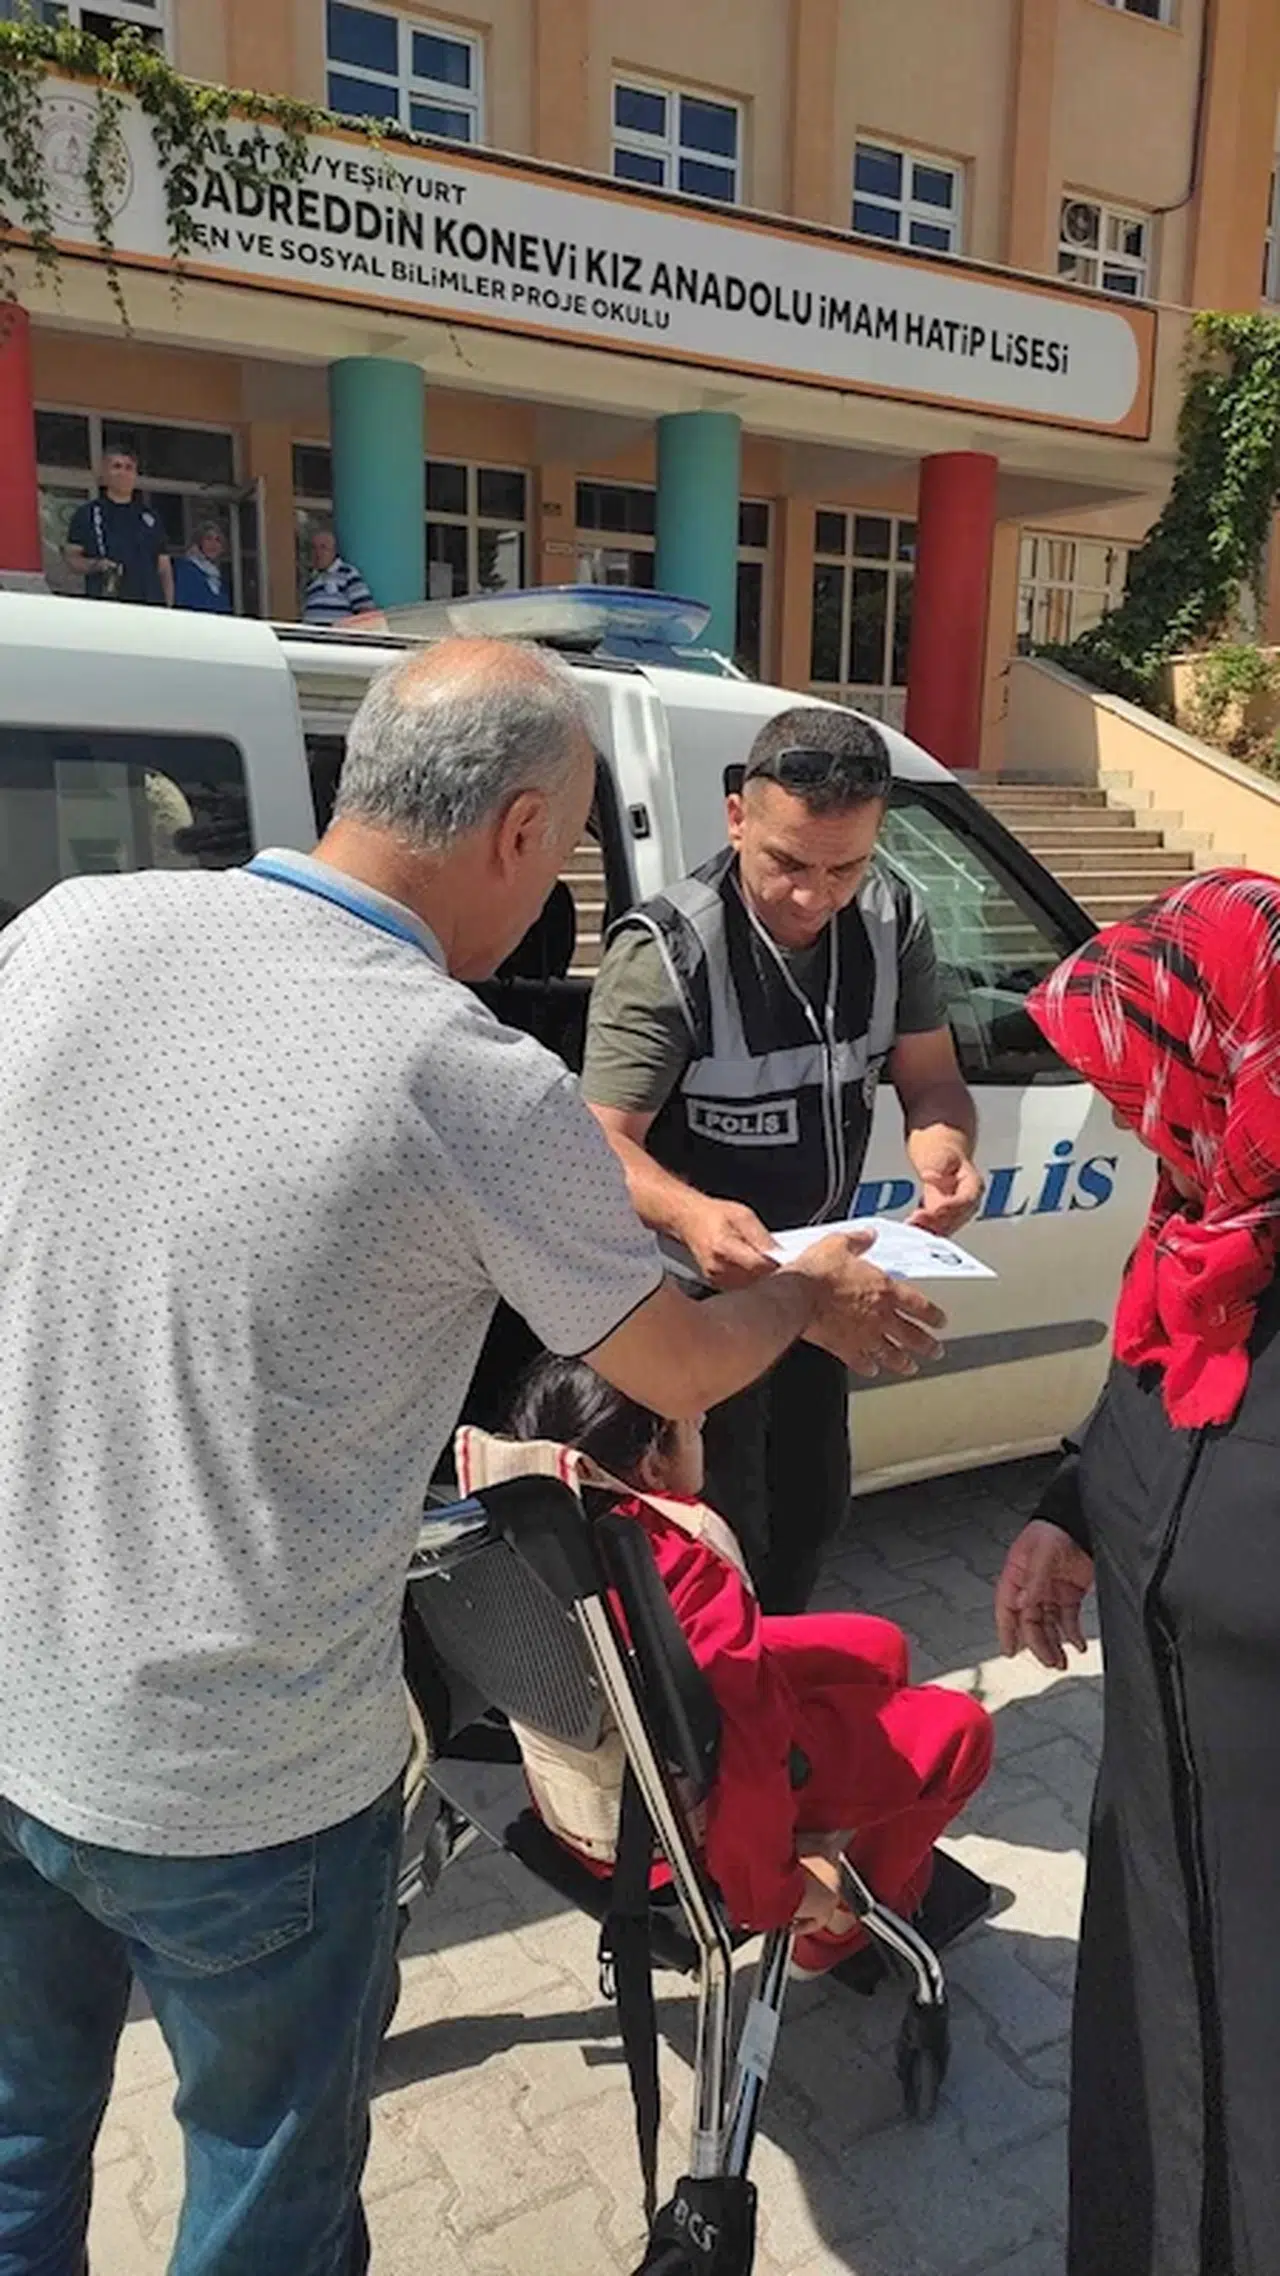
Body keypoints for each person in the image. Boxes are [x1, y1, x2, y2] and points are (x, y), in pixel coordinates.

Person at [0, 636, 948, 2276]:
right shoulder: (466, 1077)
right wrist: (805, 1282)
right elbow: (681, 1357)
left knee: (17, 2168)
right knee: (265, 2202)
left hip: (16, 1717)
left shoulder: (76, 929)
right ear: (520, 831)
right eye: (568, 848)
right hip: (251, 1785)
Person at [993, 871, 1280, 2276]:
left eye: (1134, 1069)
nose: (1115, 1110)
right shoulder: (1203, 1226)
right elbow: (1154, 1393)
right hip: (1162, 1832)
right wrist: (1073, 1509)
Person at [582, 705, 982, 1614]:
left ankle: (780, 1718)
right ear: (737, 818)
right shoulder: (669, 950)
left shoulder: (892, 920)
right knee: (717, 1542)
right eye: (788, 864)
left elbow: (932, 1081)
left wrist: (945, 1146)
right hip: (690, 1309)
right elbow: (596, 1143)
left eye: (847, 867)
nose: (816, 897)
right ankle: (713, 1746)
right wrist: (687, 1214)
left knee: (809, 1514)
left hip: (817, 1288)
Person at [481, 1354, 993, 1973]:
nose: (705, 1428)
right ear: (650, 1460)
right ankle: (835, 1934)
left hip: (603, 1766)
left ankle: (854, 1828)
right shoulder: (682, 1560)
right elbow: (749, 1760)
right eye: (695, 1426)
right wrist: (780, 1892)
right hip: (675, 1821)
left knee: (878, 1645)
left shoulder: (526, 1521)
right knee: (963, 1732)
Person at [64, 444, 173, 606]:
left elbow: (164, 568)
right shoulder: (88, 514)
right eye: (117, 466)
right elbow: (71, 558)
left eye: (129, 468)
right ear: (104, 473)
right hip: (108, 607)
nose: (123, 473)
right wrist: (96, 565)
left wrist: (169, 606)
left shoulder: (150, 517)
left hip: (150, 608)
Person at [302, 524, 377, 625]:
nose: (318, 553)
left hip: (336, 638)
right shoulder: (312, 579)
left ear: (333, 550)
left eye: (323, 547)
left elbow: (366, 610)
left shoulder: (348, 573)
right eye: (314, 548)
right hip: (310, 638)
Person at [172, 520, 232, 614]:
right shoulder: (187, 569)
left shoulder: (220, 579)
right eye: (208, 539)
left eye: (218, 540)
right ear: (199, 542)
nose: (213, 544)